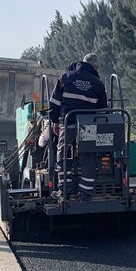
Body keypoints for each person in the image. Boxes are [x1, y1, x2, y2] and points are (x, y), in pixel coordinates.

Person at [49, 53, 107, 200]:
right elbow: (102, 109)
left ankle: (64, 191)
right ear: (95, 66)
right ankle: (85, 194)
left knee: (64, 155)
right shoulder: (98, 84)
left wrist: (54, 121)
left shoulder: (66, 77)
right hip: (88, 126)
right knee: (88, 157)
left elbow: (54, 103)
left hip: (68, 122)